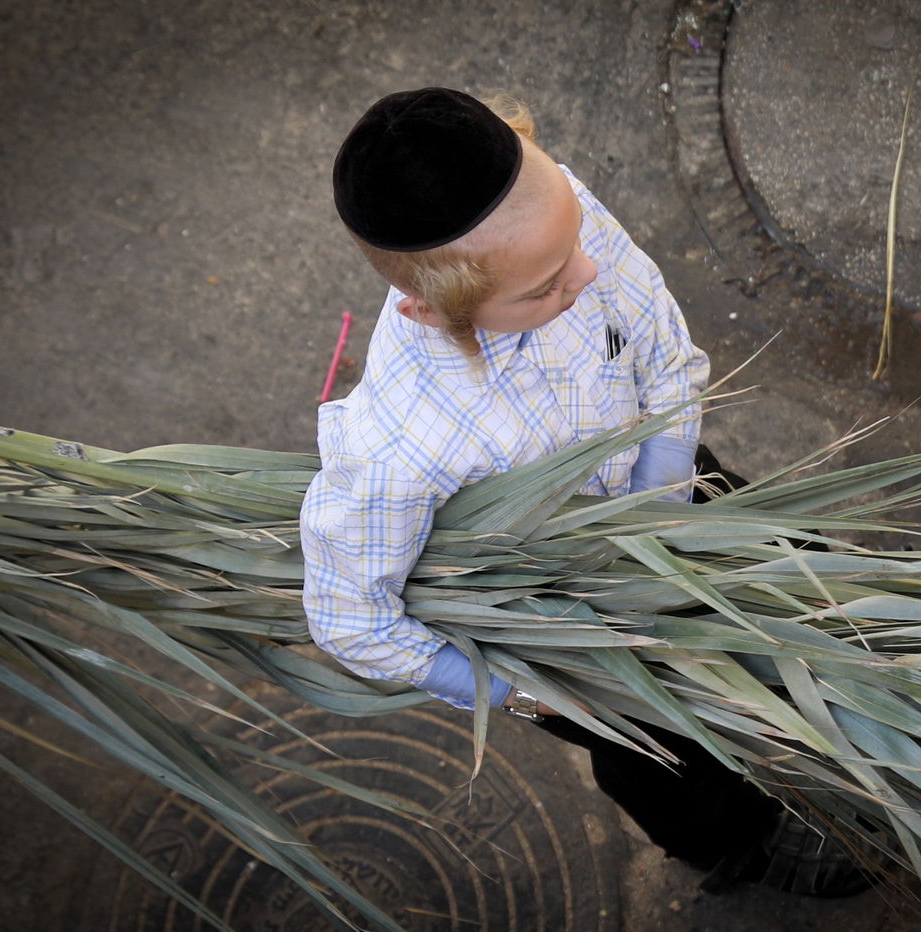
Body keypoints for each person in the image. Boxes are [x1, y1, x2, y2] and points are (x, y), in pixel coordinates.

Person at [300, 86, 872, 897]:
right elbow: (350, 620)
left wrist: (665, 491)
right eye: (544, 288)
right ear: (433, 311)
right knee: (665, 750)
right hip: (574, 621)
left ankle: (856, 710)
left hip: (670, 494)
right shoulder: (398, 445)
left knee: (801, 590)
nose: (587, 269)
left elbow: (665, 352)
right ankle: (738, 843)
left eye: (574, 237)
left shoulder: (556, 225)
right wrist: (525, 693)